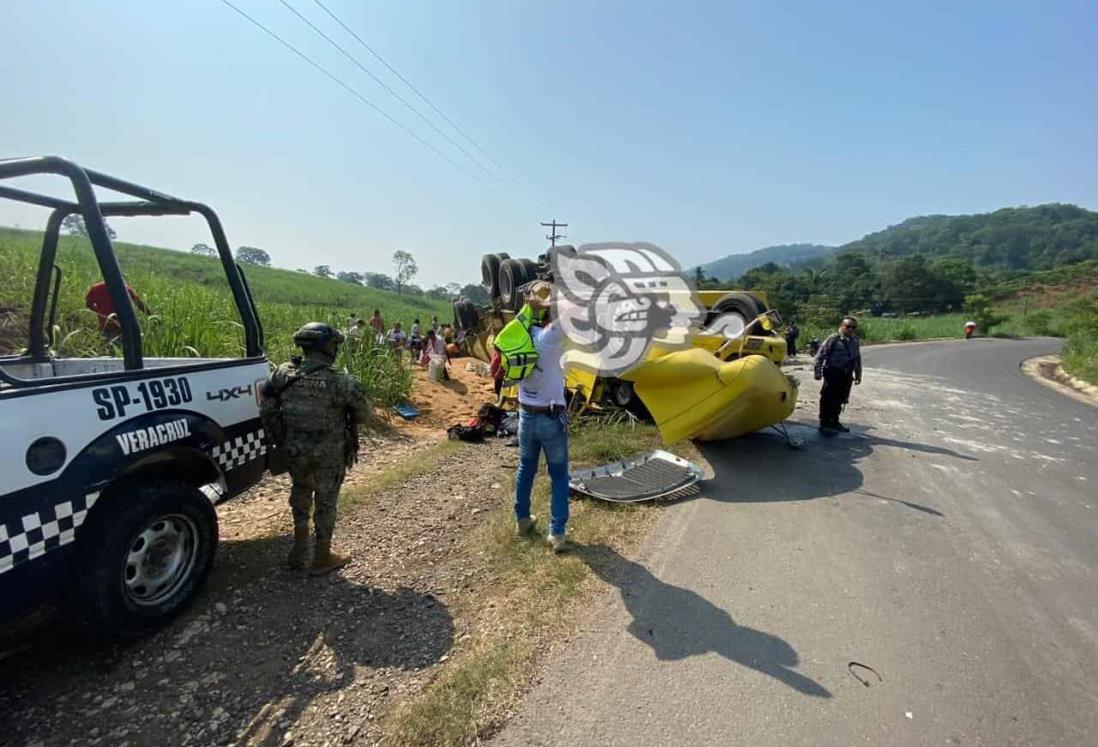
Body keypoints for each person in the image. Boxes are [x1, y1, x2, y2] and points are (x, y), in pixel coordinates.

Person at [259, 323, 372, 575]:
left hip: (295, 450)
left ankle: (299, 551)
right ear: (325, 347)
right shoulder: (342, 381)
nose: (336, 349)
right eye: (334, 345)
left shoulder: (282, 373)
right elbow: (364, 415)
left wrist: (282, 437)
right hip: (329, 453)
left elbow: (266, 407)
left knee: (300, 491)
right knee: (326, 501)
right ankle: (322, 556)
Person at [510, 281, 570, 553]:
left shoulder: (517, 336)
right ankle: (556, 533)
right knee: (558, 475)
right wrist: (551, 300)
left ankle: (523, 520)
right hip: (550, 416)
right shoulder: (549, 338)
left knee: (526, 469)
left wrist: (531, 305)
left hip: (525, 414)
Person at [813, 316, 862, 432]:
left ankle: (834, 421)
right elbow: (820, 355)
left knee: (841, 398)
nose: (850, 329)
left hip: (846, 375)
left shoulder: (855, 340)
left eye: (853, 327)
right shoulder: (833, 339)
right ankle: (824, 422)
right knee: (828, 398)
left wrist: (858, 374)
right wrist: (817, 371)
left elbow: (857, 358)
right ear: (841, 326)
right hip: (833, 373)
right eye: (848, 326)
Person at [84, 279, 150, 344]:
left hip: (105, 327)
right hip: (121, 329)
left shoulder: (96, 288)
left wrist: (100, 313)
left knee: (108, 351)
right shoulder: (125, 289)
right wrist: (150, 314)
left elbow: (88, 304)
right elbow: (140, 305)